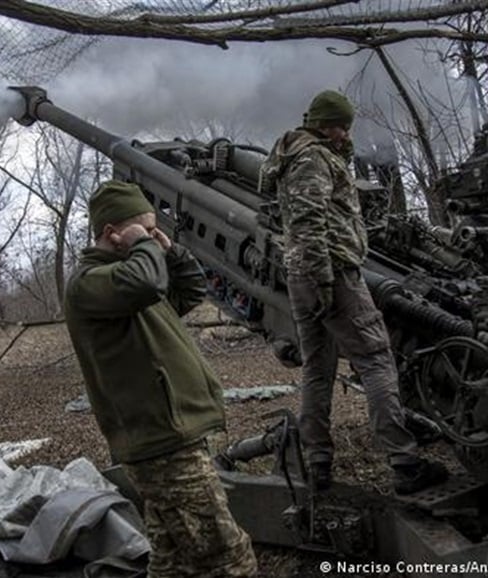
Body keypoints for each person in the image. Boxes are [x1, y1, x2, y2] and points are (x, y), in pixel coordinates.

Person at [63, 180, 257, 577]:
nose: (151, 238)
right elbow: (146, 283)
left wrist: (173, 252)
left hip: (168, 433)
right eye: (141, 230)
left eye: (153, 231)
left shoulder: (130, 280)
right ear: (111, 232)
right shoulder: (90, 282)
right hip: (160, 439)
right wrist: (143, 247)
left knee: (173, 559)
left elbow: (188, 293)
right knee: (229, 557)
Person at [259, 90, 448, 494]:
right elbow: (310, 223)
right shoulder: (312, 158)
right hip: (332, 274)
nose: (347, 134)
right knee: (377, 359)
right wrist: (325, 281)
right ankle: (404, 461)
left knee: (318, 367)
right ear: (325, 124)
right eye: (342, 126)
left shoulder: (299, 154)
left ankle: (318, 461)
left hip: (305, 275)